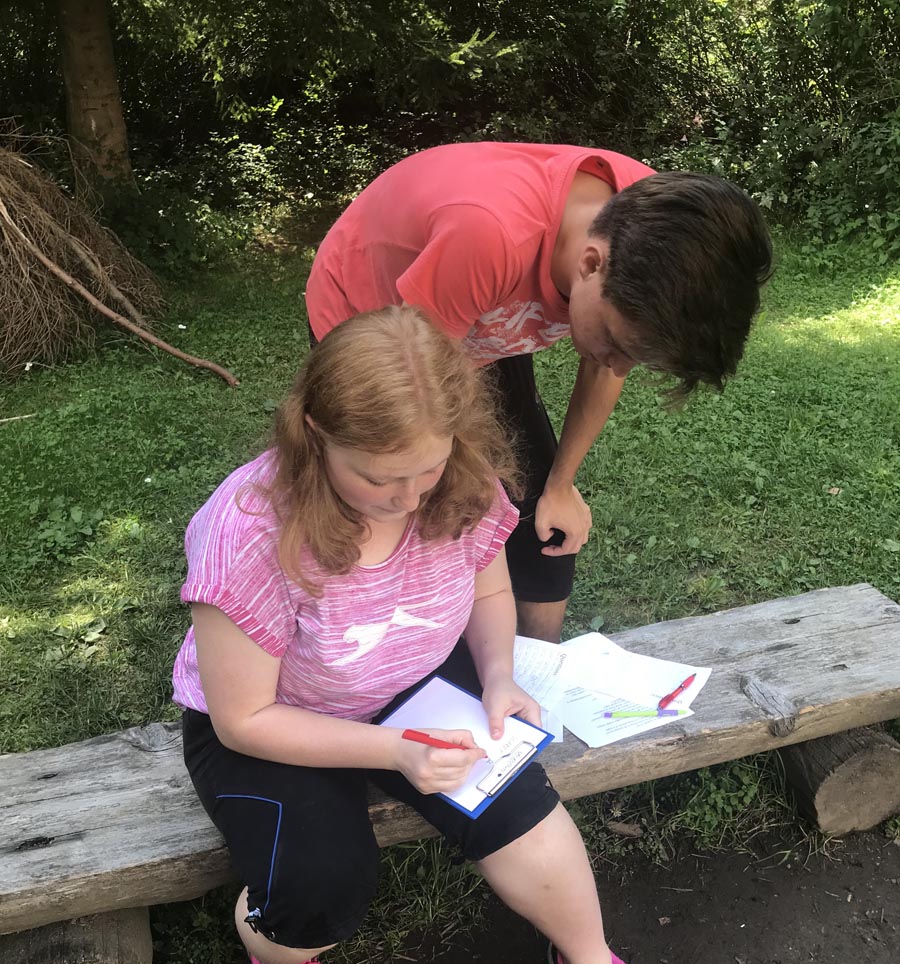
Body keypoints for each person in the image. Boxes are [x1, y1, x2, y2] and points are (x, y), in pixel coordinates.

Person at [172, 306, 654, 964]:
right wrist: (394, 753)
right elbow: (242, 719)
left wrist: (497, 676)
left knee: (520, 808)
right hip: (278, 721)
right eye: (377, 477)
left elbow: (488, 586)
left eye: (424, 471)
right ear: (316, 432)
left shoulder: (459, 478)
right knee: (321, 890)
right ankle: (277, 958)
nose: (405, 499)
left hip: (411, 685)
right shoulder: (247, 531)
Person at [306, 141, 773, 642]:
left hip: (477, 308)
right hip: (380, 322)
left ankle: (539, 663)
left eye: (636, 356)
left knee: (537, 517)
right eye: (616, 344)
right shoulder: (487, 237)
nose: (617, 366)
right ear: (590, 265)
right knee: (411, 501)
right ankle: (387, 652)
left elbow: (605, 365)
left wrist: (561, 485)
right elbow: (426, 398)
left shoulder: (659, 229)